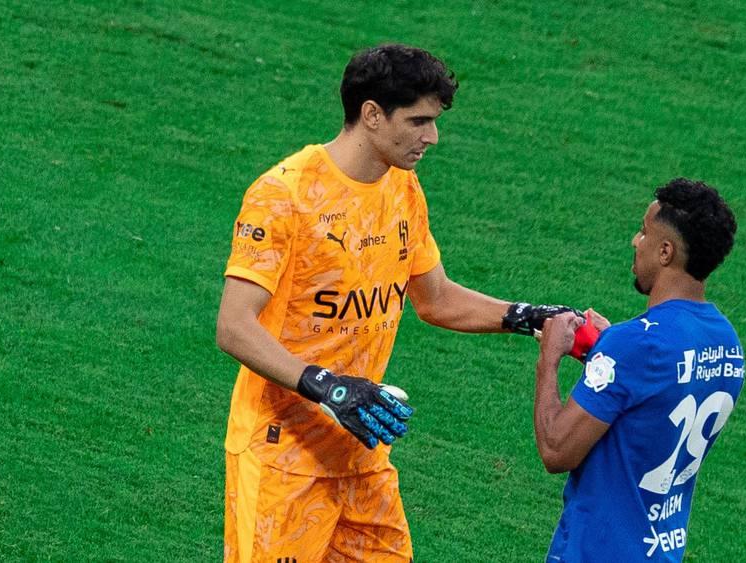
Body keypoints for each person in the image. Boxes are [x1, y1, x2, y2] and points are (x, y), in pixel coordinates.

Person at [215, 43, 570, 563]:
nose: (433, 137)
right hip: (282, 458)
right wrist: (328, 387)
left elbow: (436, 299)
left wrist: (526, 317)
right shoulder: (283, 196)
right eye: (419, 121)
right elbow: (234, 325)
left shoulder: (402, 187)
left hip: (362, 448)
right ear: (372, 115)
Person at [534, 178, 743, 562]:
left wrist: (549, 358)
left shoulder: (633, 346)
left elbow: (555, 450)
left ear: (665, 252)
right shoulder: (727, 343)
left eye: (644, 232)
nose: (635, 240)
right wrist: (607, 355)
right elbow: (656, 393)